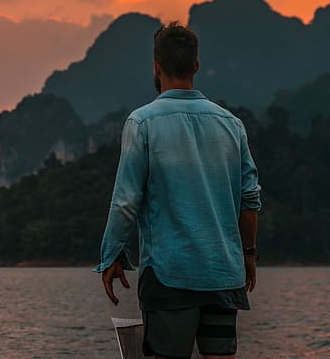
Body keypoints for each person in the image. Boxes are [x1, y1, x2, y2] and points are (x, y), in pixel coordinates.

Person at [94, 22, 261, 359]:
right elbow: (249, 200)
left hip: (170, 278)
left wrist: (111, 255)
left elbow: (126, 201)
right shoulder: (231, 124)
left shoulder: (142, 123)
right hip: (223, 277)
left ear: (156, 66)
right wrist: (247, 254)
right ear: (196, 67)